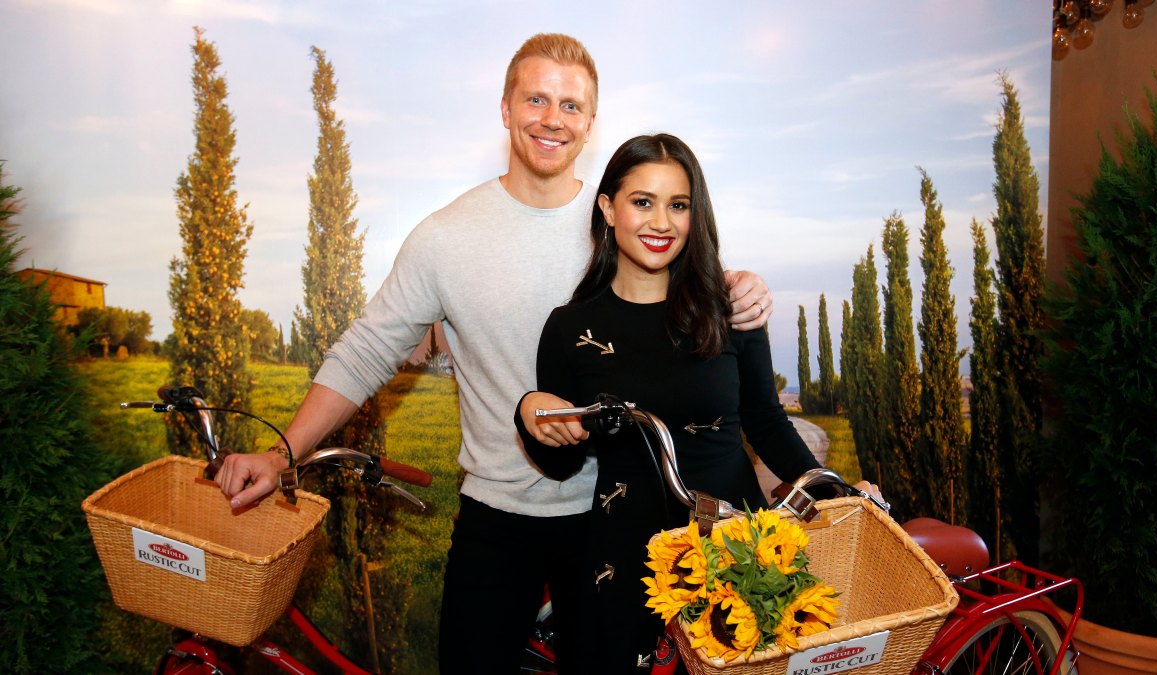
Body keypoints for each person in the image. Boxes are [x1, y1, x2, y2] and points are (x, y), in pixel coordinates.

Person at [214, 35, 775, 673]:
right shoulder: (444, 238)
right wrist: (282, 452)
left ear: (590, 123)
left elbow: (694, 298)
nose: (552, 119)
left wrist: (740, 287)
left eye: (570, 105)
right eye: (536, 99)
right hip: (498, 513)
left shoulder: (629, 220)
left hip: (612, 517)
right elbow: (366, 350)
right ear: (505, 109)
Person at [517, 134, 879, 674]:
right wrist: (530, 413)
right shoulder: (570, 328)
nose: (661, 222)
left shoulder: (730, 310)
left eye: (679, 205)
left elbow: (767, 423)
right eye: (643, 202)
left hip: (735, 551)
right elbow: (563, 462)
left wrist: (841, 494)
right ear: (608, 209)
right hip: (622, 559)